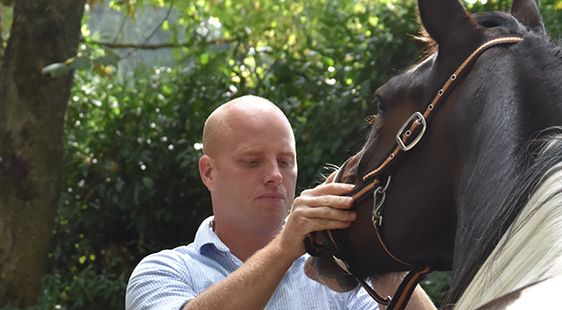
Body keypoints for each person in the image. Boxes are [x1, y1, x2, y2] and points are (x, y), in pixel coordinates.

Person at [125, 95, 435, 310]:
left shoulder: (336, 270)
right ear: (208, 172)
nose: (274, 175)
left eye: (285, 162)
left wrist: (377, 253)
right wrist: (285, 248)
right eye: (251, 161)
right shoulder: (163, 271)